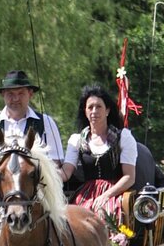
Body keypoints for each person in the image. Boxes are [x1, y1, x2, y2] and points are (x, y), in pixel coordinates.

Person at [0, 70, 64, 193]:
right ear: (3, 94)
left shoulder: (46, 122)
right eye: (10, 94)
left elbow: (55, 164)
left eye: (20, 93)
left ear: (30, 94)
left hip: (34, 195)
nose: (15, 98)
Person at [59, 85, 137, 224]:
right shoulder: (77, 140)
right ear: (85, 111)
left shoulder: (123, 137)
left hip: (114, 193)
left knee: (103, 214)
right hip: (86, 195)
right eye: (90, 107)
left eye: (98, 106)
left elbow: (129, 177)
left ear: (107, 110)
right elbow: (66, 173)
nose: (94, 111)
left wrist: (106, 195)